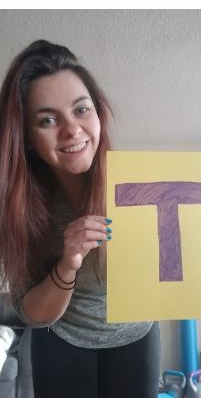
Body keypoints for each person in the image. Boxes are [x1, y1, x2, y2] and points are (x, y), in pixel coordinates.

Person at [0, 40, 159, 396]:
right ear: (26, 137)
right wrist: (68, 263)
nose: (71, 129)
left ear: (98, 114)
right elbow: (33, 314)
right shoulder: (20, 208)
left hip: (137, 335)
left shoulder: (141, 184)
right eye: (47, 119)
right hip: (62, 337)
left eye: (81, 110)